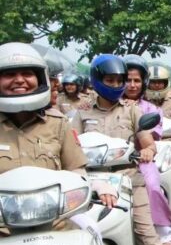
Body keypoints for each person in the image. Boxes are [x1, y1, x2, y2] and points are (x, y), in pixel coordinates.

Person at [71, 54, 171, 245]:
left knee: (146, 234)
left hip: (128, 179)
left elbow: (147, 140)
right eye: (109, 79)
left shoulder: (132, 110)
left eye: (119, 80)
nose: (115, 84)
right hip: (90, 181)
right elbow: (71, 145)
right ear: (97, 80)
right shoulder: (82, 113)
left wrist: (147, 150)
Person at [0, 42, 116, 234]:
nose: (19, 80)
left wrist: (96, 186)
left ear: (40, 79)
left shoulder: (58, 123)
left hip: (55, 229)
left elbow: (75, 170)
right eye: (9, 74)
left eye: (27, 74)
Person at [122, 54, 171, 245]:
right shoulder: (107, 105)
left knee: (153, 186)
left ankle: (164, 232)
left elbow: (152, 137)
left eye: (137, 80)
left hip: (138, 159)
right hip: (107, 161)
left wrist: (146, 150)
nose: (132, 85)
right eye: (127, 80)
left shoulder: (151, 109)